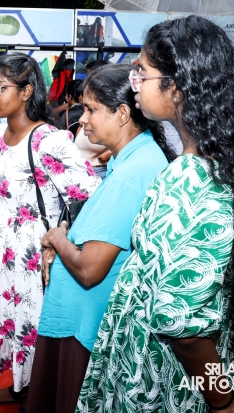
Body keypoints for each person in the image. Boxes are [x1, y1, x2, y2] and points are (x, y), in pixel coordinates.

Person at [77, 15, 234, 413]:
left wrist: (222, 403)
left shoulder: (190, 181)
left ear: (176, 86)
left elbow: (184, 330)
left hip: (164, 371)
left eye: (142, 72)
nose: (134, 83)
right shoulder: (207, 164)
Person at [26, 64, 175, 413]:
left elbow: (90, 269)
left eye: (92, 109)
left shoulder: (130, 174)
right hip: (84, 317)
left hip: (85, 322)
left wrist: (57, 238)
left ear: (122, 113)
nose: (83, 119)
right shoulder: (136, 157)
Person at [0, 53, 100, 410]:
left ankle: (35, 395)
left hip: (31, 257)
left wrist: (60, 237)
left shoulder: (49, 141)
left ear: (26, 91)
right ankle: (19, 389)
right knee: (9, 322)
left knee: (32, 327)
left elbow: (90, 195)